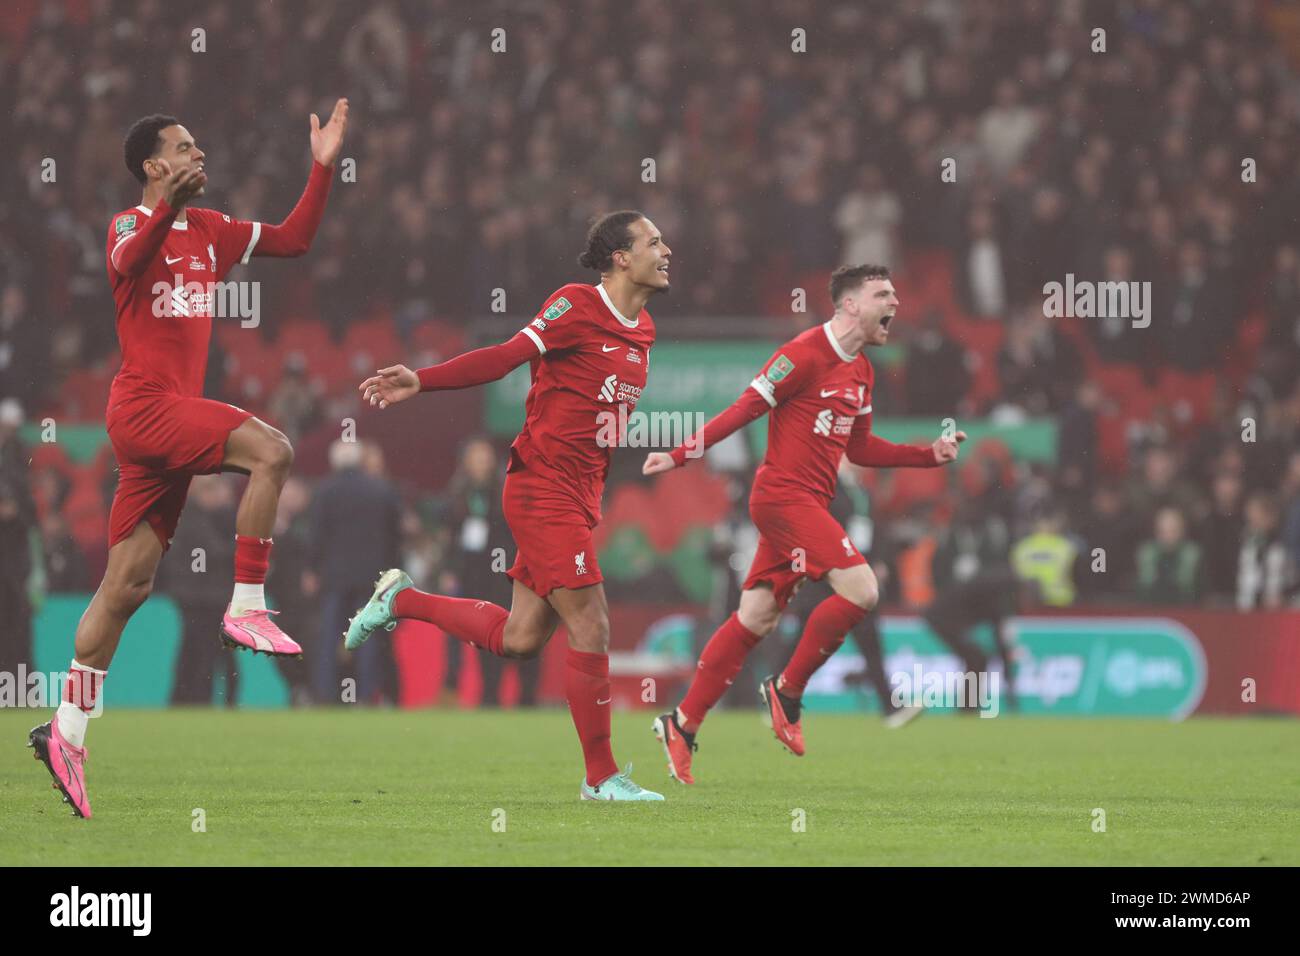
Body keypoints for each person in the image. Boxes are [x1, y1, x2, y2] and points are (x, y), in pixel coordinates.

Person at [28, 101, 348, 819]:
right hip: (143, 408)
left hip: (162, 425)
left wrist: (323, 166)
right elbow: (127, 261)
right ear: (154, 166)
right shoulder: (129, 225)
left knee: (126, 587)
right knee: (275, 450)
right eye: (185, 146)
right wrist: (165, 208)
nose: (200, 154)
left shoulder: (212, 230)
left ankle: (66, 732)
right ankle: (247, 604)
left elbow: (295, 239)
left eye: (199, 144)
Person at [346, 211, 671, 801]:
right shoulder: (576, 305)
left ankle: (402, 598)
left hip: (578, 495)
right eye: (654, 241)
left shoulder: (643, 329)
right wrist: (423, 380)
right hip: (541, 487)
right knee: (592, 622)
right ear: (621, 257)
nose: (666, 250)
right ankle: (601, 778)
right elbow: (505, 356)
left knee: (521, 638)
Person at [643, 265, 966, 785]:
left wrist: (928, 455)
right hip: (781, 498)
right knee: (863, 589)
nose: (896, 303)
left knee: (756, 617)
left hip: (810, 504)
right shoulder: (802, 354)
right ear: (850, 304)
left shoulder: (862, 372)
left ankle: (682, 723)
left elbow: (859, 447)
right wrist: (680, 454)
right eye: (884, 294)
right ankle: (787, 692)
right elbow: (744, 409)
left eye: (897, 293)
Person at [309, 441, 403, 704]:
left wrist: (312, 568)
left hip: (334, 576)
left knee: (329, 637)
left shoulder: (325, 491)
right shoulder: (381, 490)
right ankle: (366, 693)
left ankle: (324, 693)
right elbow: (395, 536)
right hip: (370, 577)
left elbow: (316, 534)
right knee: (367, 637)